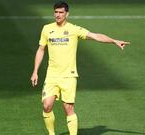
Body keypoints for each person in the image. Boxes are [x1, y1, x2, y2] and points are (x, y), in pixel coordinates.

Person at [30, 1, 130, 135]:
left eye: (61, 12)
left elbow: (95, 36)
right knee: (46, 106)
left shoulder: (74, 29)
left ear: (67, 14)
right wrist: (35, 71)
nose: (58, 15)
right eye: (56, 12)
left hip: (69, 76)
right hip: (52, 75)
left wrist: (114, 41)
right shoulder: (47, 29)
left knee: (68, 108)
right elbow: (41, 49)